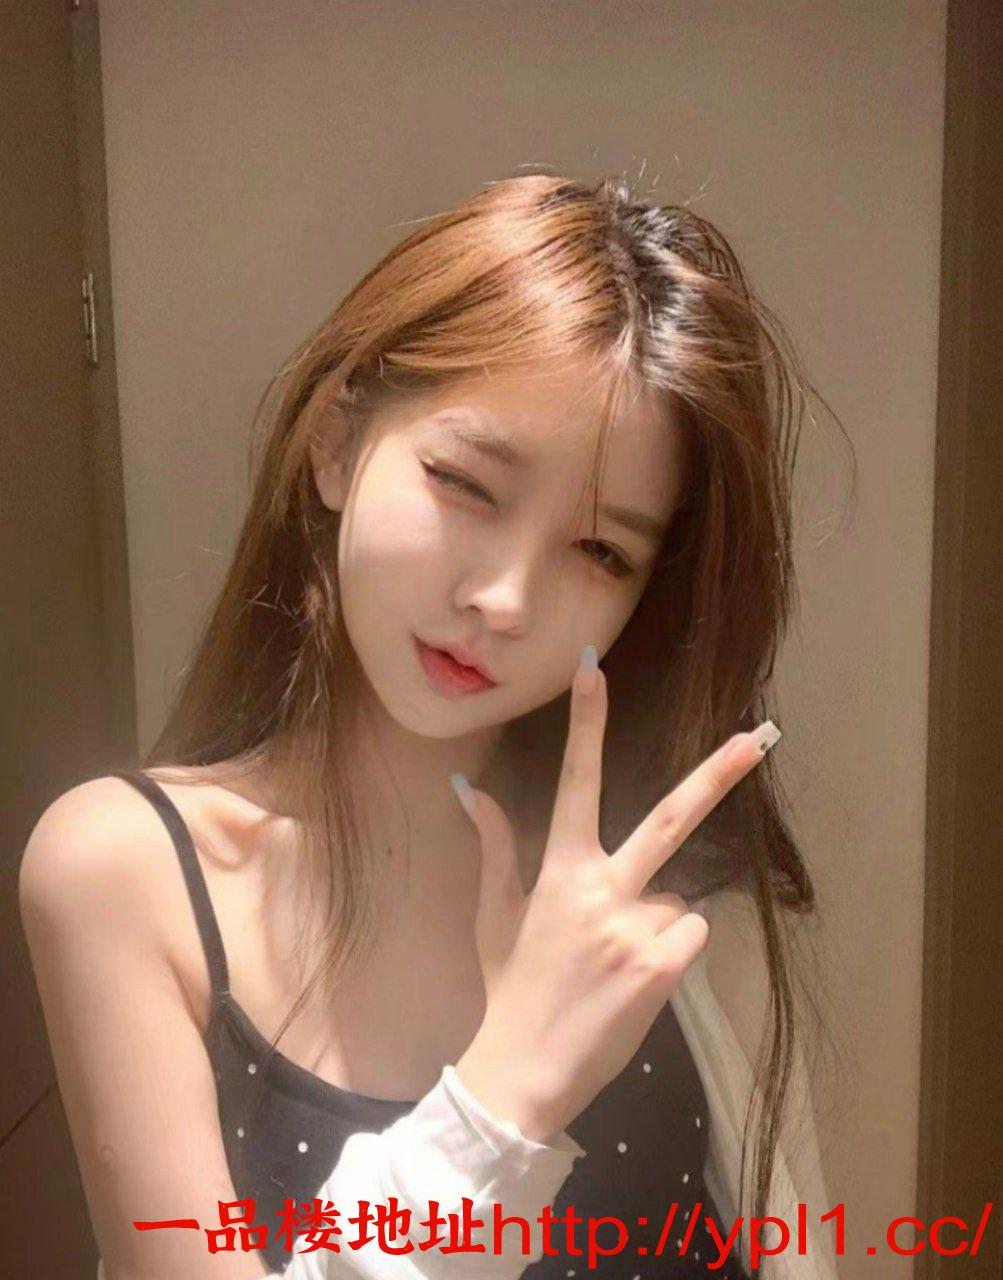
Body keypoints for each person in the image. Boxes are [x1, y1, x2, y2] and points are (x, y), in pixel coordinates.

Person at [19, 173, 848, 1280]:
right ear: (333, 442)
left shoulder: (664, 877)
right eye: (466, 483)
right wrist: (504, 1100)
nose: (504, 599)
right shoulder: (127, 872)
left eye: (599, 551)